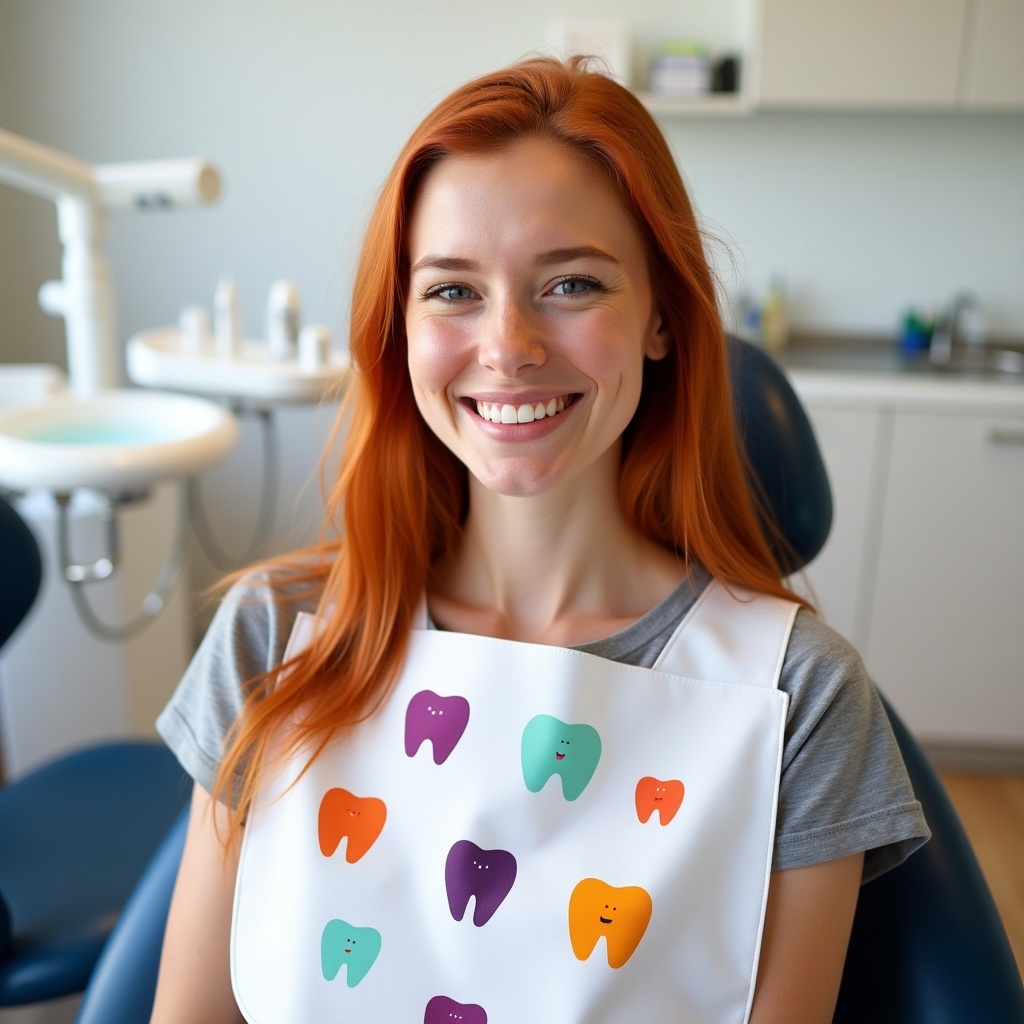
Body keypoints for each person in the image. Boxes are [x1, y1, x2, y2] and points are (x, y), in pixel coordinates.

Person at [150, 56, 928, 1023]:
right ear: (398, 327)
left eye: (571, 283)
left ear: (659, 318)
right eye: (451, 291)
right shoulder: (273, 640)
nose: (508, 345)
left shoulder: (797, 697)